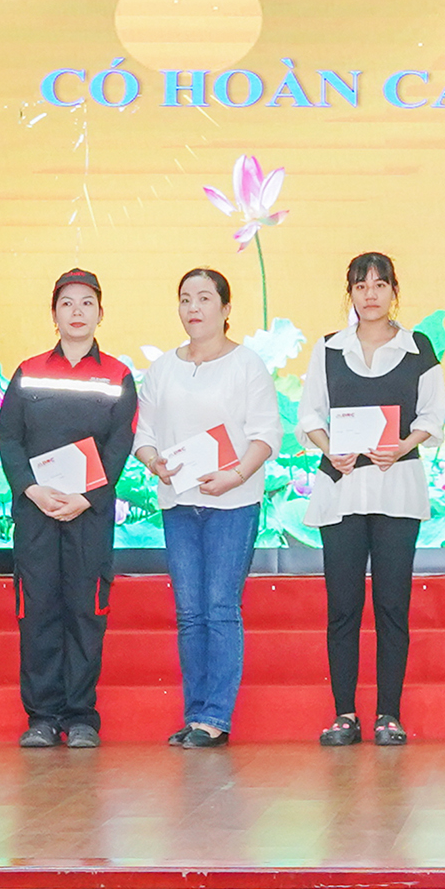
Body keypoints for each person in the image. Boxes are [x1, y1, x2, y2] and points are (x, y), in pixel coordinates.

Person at [298, 252, 445, 747]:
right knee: (343, 606)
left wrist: (402, 445)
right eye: (361, 286)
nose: (370, 294)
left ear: (393, 292)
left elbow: (433, 416)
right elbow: (310, 415)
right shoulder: (328, 349)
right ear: (351, 294)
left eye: (380, 285)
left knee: (391, 605)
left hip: (396, 488)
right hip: (342, 490)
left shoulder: (417, 348)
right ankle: (344, 713)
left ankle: (388, 714)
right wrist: (330, 449)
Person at [134, 267, 280, 748]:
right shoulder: (163, 369)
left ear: (226, 308)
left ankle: (215, 717)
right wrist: (154, 462)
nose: (193, 308)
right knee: (189, 612)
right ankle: (195, 714)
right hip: (179, 502)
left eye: (203, 298)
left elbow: (266, 435)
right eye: (185, 299)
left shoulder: (247, 365)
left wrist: (235, 475)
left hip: (232, 502)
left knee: (219, 607)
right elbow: (144, 436)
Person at [0, 267, 139, 749]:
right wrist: (31, 490)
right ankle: (41, 716)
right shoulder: (29, 372)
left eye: (86, 303)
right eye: (67, 303)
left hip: (88, 515)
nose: (77, 312)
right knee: (38, 612)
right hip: (36, 513)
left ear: (101, 313)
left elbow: (119, 444)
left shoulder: (117, 376)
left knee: (84, 611)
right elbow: (9, 438)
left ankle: (80, 717)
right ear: (54, 314)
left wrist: (87, 498)